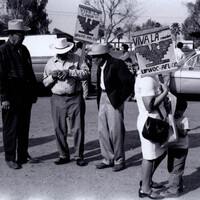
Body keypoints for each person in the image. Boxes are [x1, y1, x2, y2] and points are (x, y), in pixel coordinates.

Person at [43, 38, 90, 166]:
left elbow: (86, 73)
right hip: (57, 98)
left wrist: (70, 72)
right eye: (59, 51)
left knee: (78, 128)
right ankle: (63, 154)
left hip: (75, 97)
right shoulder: (50, 63)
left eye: (64, 51)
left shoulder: (77, 58)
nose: (61, 54)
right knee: (59, 128)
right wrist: (53, 76)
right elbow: (45, 82)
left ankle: (79, 155)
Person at [88, 43, 134, 172]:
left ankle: (119, 160)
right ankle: (107, 159)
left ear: (102, 56)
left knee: (116, 131)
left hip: (114, 99)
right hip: (102, 97)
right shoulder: (100, 66)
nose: (93, 60)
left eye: (95, 57)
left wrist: (120, 99)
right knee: (103, 130)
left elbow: (129, 82)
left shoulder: (117, 64)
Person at [0, 19, 39, 169]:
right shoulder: (3, 50)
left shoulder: (24, 50)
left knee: (24, 126)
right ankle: (10, 157)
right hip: (11, 93)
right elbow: (1, 76)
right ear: (11, 34)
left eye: (23, 34)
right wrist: (4, 98)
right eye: (20, 34)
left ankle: (23, 155)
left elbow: (30, 72)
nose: (23, 37)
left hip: (25, 94)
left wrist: (33, 92)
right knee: (11, 127)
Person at [134, 72, 169, 198]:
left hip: (156, 121)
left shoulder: (153, 75)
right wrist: (165, 92)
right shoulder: (147, 78)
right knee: (149, 156)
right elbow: (149, 105)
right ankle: (145, 189)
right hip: (150, 123)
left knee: (161, 152)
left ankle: (146, 180)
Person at [160, 99, 190, 198]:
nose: (179, 112)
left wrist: (174, 127)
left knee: (176, 170)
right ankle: (179, 186)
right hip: (172, 147)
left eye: (182, 110)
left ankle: (173, 191)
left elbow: (184, 133)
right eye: (177, 109)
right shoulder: (170, 118)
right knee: (172, 168)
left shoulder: (184, 119)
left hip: (181, 148)